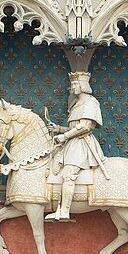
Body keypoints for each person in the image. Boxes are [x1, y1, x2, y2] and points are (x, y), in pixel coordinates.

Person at [46, 72, 108, 221]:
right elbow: (73, 127)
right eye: (72, 84)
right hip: (71, 143)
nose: (72, 87)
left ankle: (64, 211)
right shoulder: (76, 104)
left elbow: (84, 127)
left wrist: (64, 136)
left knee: (68, 173)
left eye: (75, 84)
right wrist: (59, 129)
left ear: (83, 85)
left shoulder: (91, 102)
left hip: (82, 144)